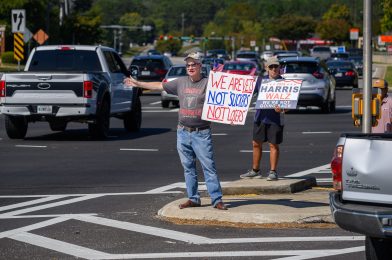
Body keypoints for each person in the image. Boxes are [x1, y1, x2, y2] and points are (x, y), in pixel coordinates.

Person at [124, 53, 227, 210]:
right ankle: (193, 198)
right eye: (188, 65)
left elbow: (226, 97)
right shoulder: (180, 82)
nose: (190, 67)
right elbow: (159, 85)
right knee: (188, 167)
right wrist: (137, 83)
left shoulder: (209, 83)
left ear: (200, 66)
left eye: (194, 64)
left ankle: (216, 199)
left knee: (209, 167)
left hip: (202, 132)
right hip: (183, 132)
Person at [240, 56, 285, 181]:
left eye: (276, 66)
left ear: (280, 68)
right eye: (271, 67)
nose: (274, 69)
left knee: (273, 145)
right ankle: (255, 170)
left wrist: (282, 109)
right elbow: (244, 93)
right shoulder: (260, 81)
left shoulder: (285, 83)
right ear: (267, 68)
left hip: (275, 119)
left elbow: (290, 105)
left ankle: (273, 171)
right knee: (256, 143)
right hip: (260, 118)